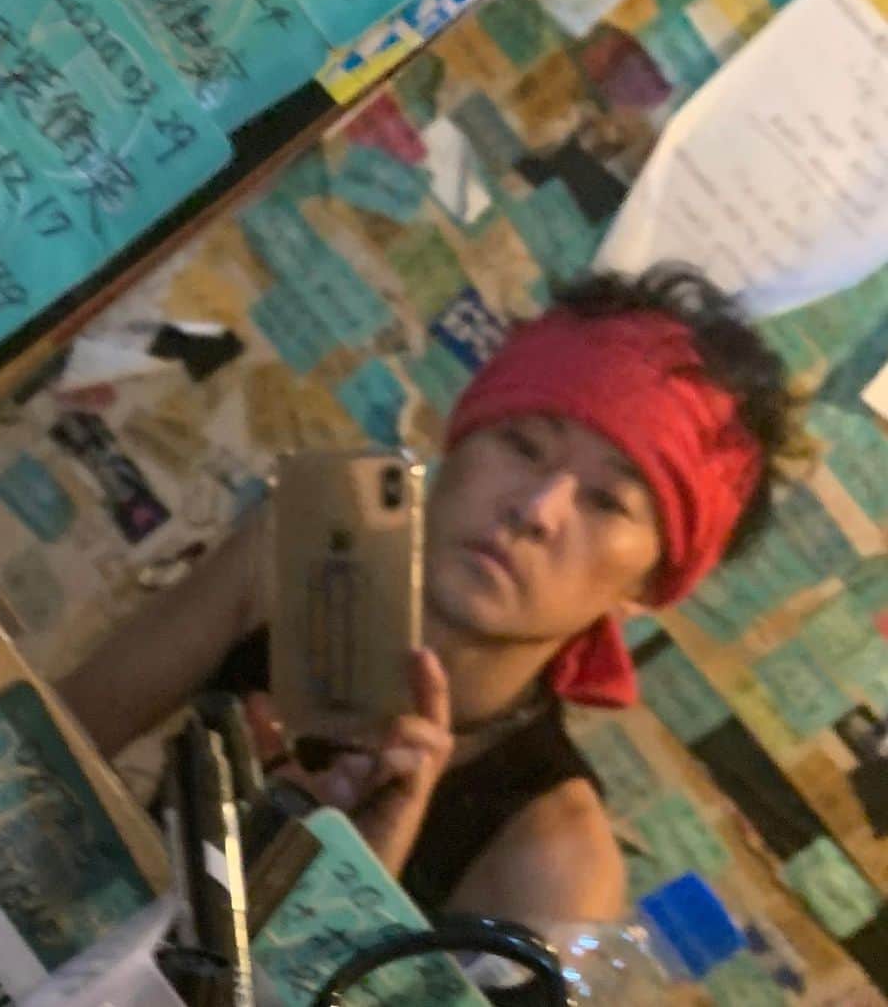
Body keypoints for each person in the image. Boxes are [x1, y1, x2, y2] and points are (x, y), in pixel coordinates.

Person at [59, 264, 802, 927]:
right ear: (458, 441)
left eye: (607, 502)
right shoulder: (306, 558)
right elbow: (48, 751)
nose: (536, 509)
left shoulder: (552, 862)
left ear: (645, 590)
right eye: (522, 446)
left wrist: (353, 893)